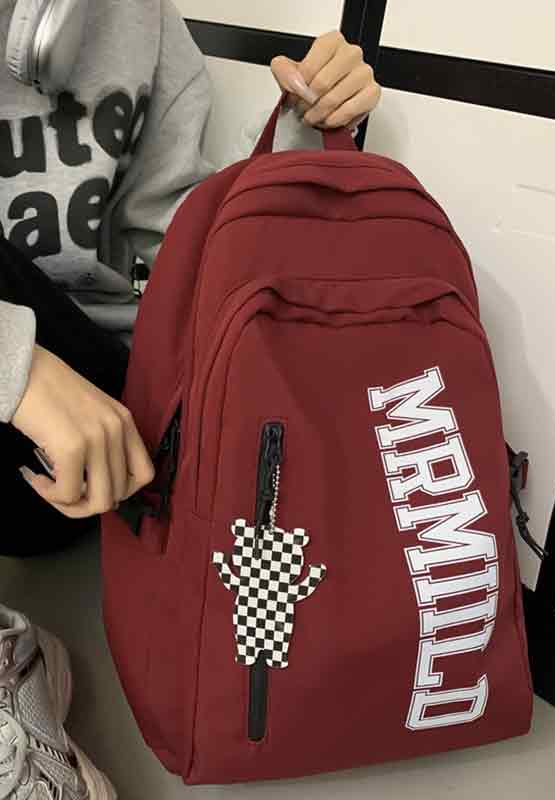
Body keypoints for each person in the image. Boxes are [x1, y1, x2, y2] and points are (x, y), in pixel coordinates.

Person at [0, 1, 382, 796]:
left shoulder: (134, 18)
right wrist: (14, 365)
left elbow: (178, 242)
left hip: (91, 438)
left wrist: (303, 135)